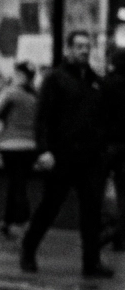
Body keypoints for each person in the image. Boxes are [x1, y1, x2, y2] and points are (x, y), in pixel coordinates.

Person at [20, 31, 112, 277]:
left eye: (87, 46)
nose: (84, 50)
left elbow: (102, 118)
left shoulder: (95, 81)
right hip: (62, 156)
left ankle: (91, 263)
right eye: (79, 46)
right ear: (68, 49)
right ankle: (28, 249)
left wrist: (103, 149)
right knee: (50, 206)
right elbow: (43, 118)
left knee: (91, 211)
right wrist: (44, 150)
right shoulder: (56, 79)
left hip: (91, 158)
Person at [0, 61, 38, 237]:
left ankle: (25, 221)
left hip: (11, 145)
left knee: (17, 184)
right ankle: (7, 221)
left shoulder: (11, 94)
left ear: (19, 75)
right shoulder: (35, 96)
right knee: (17, 183)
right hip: (31, 146)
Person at [101, 48, 125, 252]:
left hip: (107, 143)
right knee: (123, 192)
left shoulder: (106, 84)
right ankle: (119, 237)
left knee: (98, 188)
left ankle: (106, 231)